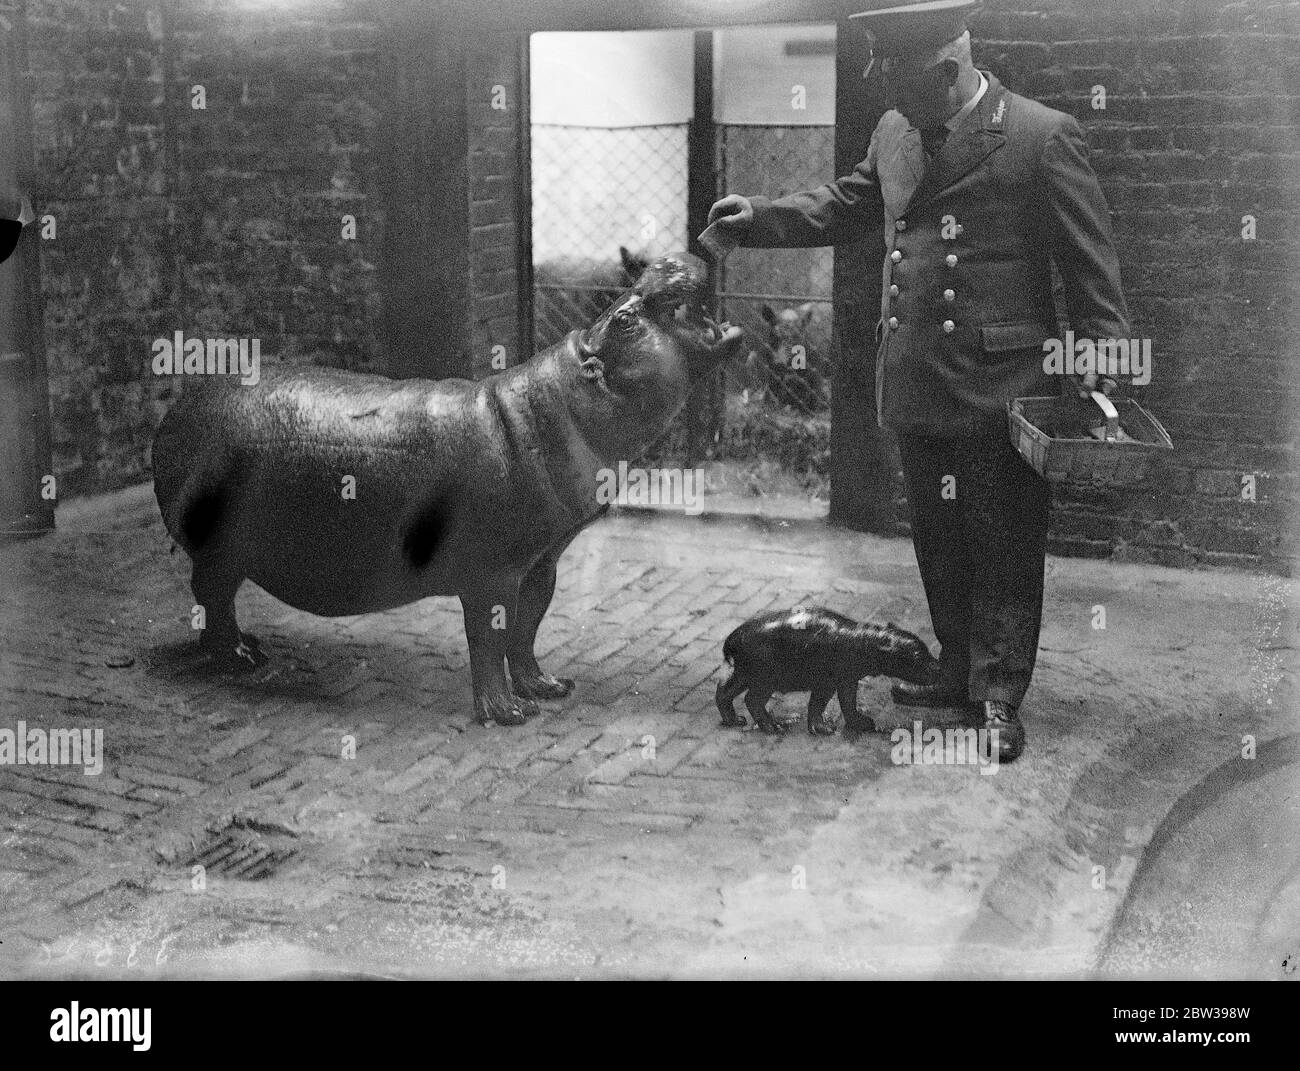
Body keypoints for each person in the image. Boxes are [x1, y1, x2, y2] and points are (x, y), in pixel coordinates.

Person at [707, 0, 1131, 762]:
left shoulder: (1040, 137)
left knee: (1002, 539)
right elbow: (849, 204)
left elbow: (1091, 278)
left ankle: (999, 693)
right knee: (938, 534)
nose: (885, 97)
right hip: (918, 380)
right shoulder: (897, 131)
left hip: (1004, 384)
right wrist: (759, 216)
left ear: (948, 71)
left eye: (898, 80)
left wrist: (1103, 384)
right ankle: (956, 667)